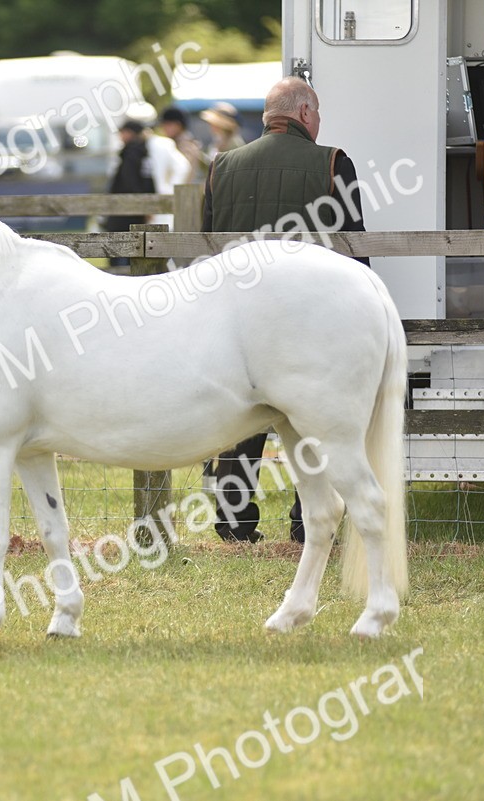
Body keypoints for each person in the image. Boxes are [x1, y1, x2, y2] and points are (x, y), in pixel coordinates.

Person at [200, 77, 370, 544]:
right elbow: (354, 248)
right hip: (308, 322)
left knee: (241, 422)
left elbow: (207, 246)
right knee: (311, 422)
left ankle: (234, 525)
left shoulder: (221, 166)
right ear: (305, 114)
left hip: (238, 321)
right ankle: (305, 522)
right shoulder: (333, 162)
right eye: (317, 114)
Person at [103, 120, 156, 266]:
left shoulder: (130, 153)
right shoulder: (143, 152)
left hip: (124, 211)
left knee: (120, 252)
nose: (120, 136)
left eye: (123, 132)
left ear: (130, 133)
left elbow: (129, 182)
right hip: (137, 211)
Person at [158, 106, 210, 180]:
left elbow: (186, 177)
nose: (164, 128)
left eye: (168, 124)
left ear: (178, 125)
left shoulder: (187, 146)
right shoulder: (174, 143)